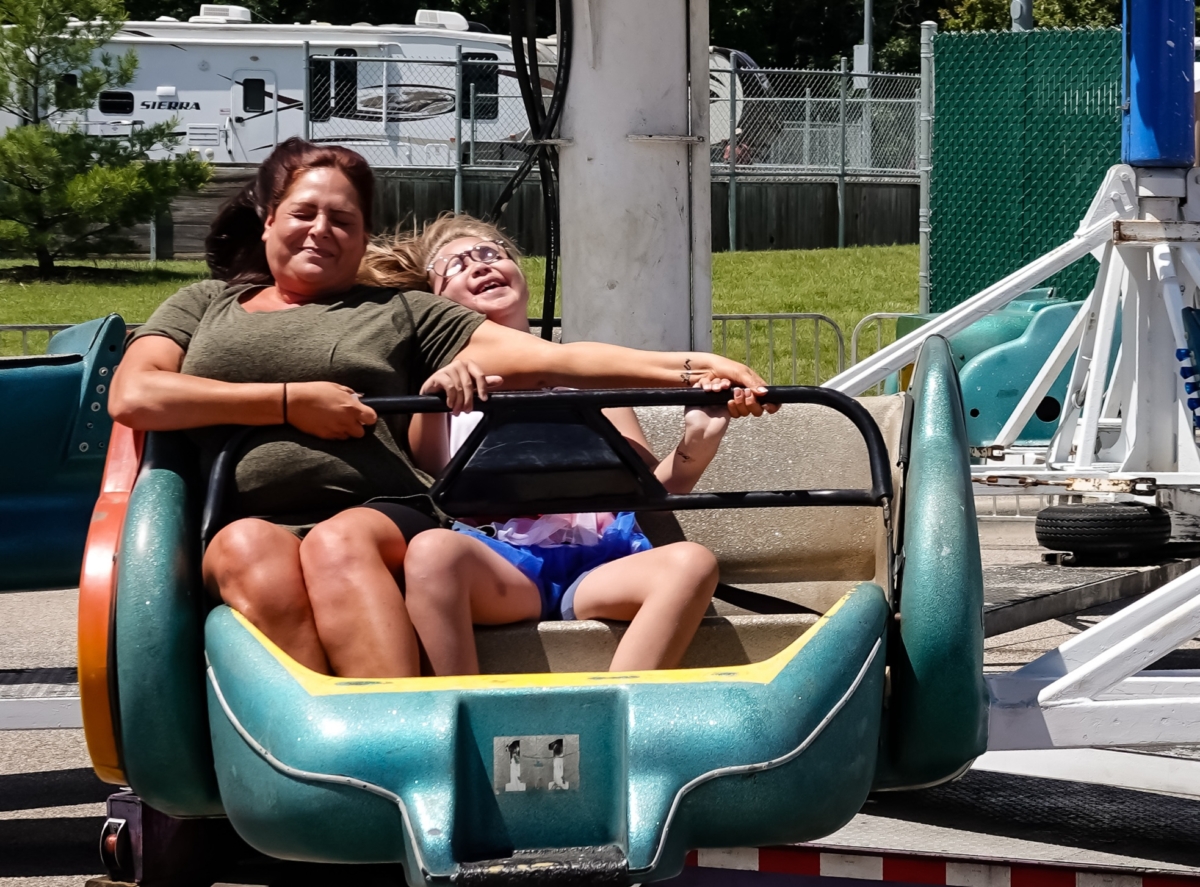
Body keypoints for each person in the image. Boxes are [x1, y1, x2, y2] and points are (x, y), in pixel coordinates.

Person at [109, 138, 772, 680]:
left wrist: (688, 366)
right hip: (255, 510)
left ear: (363, 236)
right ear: (269, 219)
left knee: (341, 541)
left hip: (374, 508)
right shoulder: (203, 306)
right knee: (243, 547)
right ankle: (329, 743)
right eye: (305, 212)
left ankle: (405, 733)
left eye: (344, 220)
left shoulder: (401, 312)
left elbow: (555, 360)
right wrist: (289, 404)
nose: (322, 230)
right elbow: (135, 395)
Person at [360, 214, 751, 675]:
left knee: (692, 562)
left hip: (601, 562)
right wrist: (438, 391)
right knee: (431, 552)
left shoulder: (591, 380)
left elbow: (650, 494)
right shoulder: (443, 394)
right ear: (436, 304)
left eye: (491, 254)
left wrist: (696, 443)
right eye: (456, 266)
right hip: (505, 564)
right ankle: (459, 717)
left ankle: (615, 714)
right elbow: (437, 489)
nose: (480, 265)